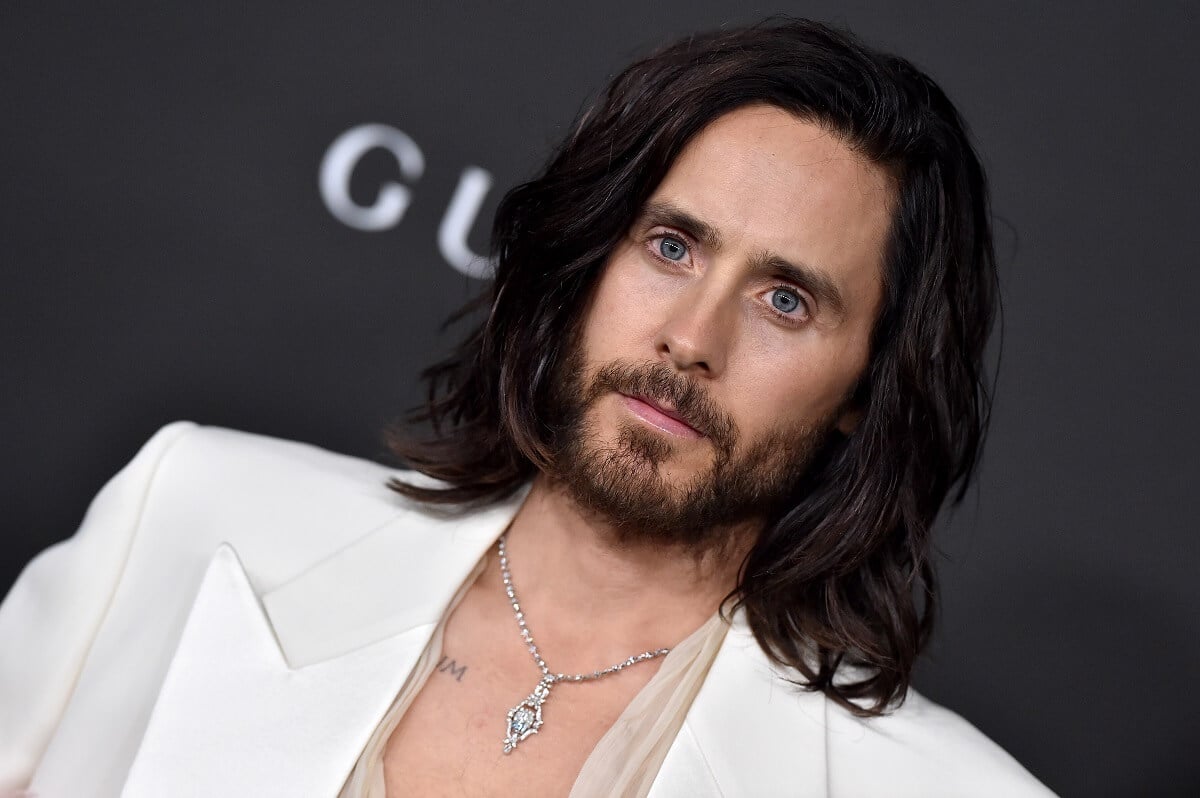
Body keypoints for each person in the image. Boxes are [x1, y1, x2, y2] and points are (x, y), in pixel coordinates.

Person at [0, 17, 1056, 798]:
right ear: (588, 259)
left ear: (865, 393)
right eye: (672, 246)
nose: (692, 337)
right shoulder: (192, 511)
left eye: (786, 299)